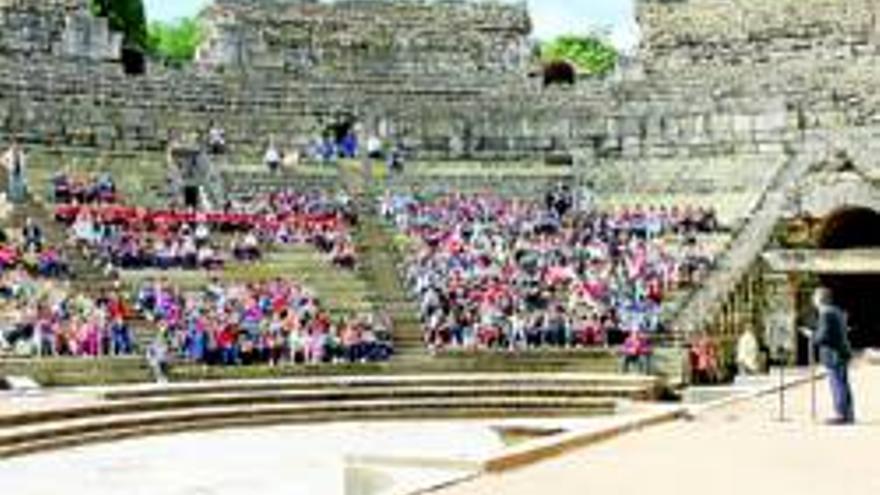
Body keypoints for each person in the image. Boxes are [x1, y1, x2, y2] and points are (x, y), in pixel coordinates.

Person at [804, 287, 855, 425]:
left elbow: (825, 335)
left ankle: (841, 414)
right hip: (841, 352)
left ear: (821, 299)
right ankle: (847, 413)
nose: (813, 300)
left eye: (814, 297)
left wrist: (812, 336)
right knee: (843, 383)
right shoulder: (836, 311)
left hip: (834, 354)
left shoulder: (826, 314)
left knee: (837, 384)